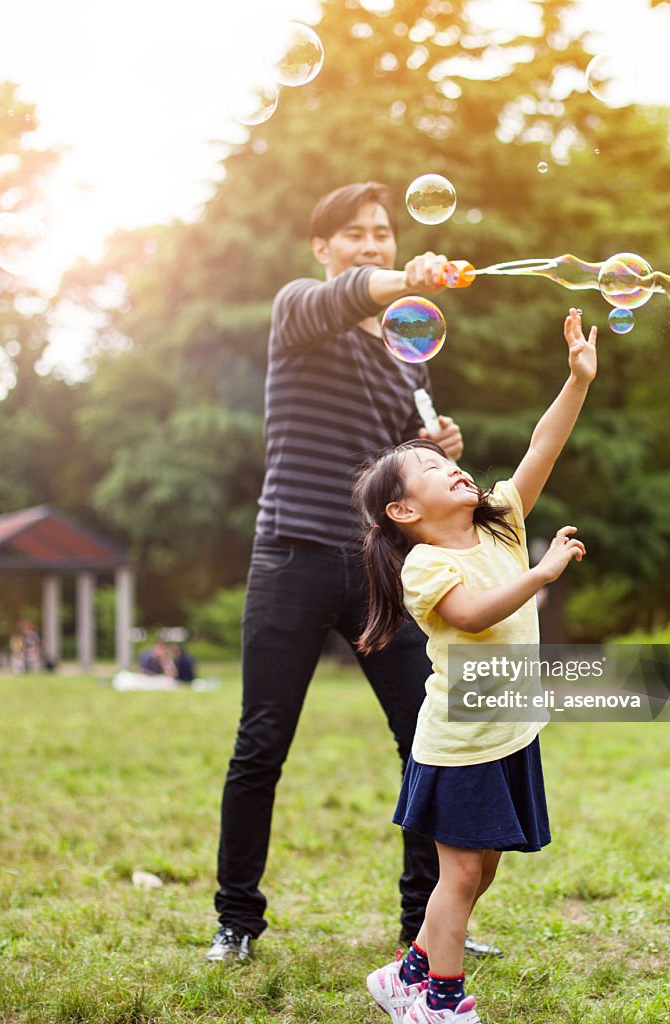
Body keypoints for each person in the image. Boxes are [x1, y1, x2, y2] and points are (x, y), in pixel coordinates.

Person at [207, 181, 482, 964]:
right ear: (322, 249)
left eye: (383, 233)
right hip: (289, 555)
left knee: (428, 740)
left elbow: (401, 485)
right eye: (354, 234)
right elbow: (350, 297)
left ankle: (423, 927)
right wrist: (411, 278)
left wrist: (435, 453)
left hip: (374, 574)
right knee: (261, 744)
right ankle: (236, 921)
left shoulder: (407, 365)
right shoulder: (298, 311)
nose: (372, 244)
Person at [357, 308, 597, 1023]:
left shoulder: (501, 521)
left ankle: (405, 975)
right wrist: (542, 574)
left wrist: (576, 382)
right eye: (431, 469)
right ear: (403, 510)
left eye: (447, 460)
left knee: (481, 869)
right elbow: (473, 614)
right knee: (459, 873)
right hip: (459, 744)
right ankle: (441, 1003)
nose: (452, 467)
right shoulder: (426, 565)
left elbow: (542, 446)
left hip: (506, 730)